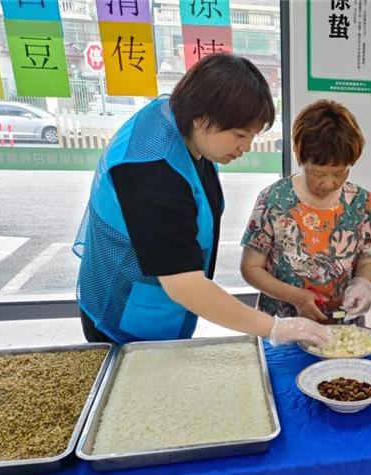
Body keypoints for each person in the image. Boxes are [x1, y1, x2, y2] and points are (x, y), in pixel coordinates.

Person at [73, 54, 330, 348]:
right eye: (240, 135)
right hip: (124, 314)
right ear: (202, 118)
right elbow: (185, 285)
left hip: (159, 306)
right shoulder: (152, 171)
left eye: (252, 135)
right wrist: (275, 327)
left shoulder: (181, 124)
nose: (246, 147)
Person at [240, 100, 371, 324]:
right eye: (318, 173)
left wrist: (363, 285)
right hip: (283, 324)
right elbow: (250, 268)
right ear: (298, 154)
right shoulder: (274, 199)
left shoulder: (361, 202)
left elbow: (368, 260)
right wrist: (295, 297)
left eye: (339, 172)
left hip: (342, 326)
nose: (328, 183)